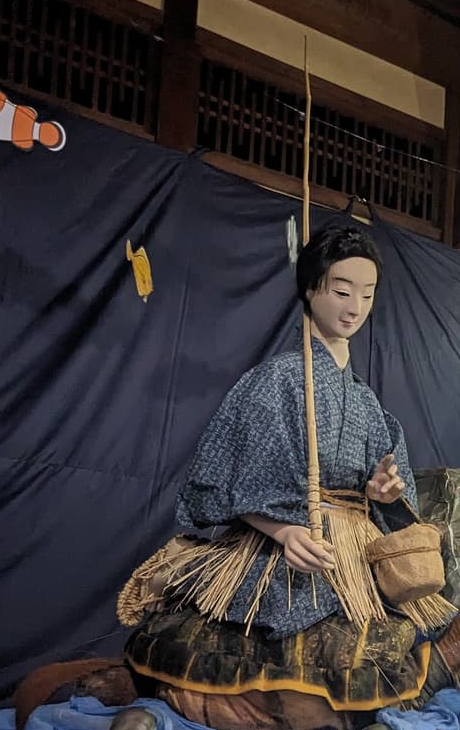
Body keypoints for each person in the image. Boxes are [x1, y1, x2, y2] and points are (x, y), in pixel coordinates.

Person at [173, 222, 426, 636]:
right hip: (288, 549)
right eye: (342, 292)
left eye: (367, 294)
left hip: (353, 548)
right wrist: (285, 530)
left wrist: (381, 494)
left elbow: (390, 495)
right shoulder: (277, 380)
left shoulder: (365, 400)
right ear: (310, 289)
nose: (355, 308)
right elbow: (237, 477)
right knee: (294, 626)